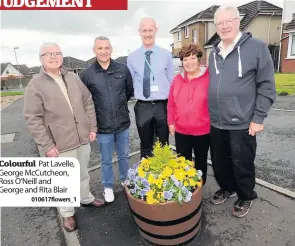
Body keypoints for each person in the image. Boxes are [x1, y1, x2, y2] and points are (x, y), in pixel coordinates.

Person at [23, 42, 105, 232]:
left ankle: (86, 198)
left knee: (83, 172)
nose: (54, 57)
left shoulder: (73, 77)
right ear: (41, 59)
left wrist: (92, 127)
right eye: (48, 54)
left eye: (57, 53)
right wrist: (47, 145)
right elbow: (32, 118)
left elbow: (88, 101)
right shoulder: (35, 85)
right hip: (59, 144)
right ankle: (67, 213)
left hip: (82, 137)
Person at [208, 6, 276, 218]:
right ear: (216, 27)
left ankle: (245, 195)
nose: (225, 26)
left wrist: (258, 118)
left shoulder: (256, 47)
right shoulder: (214, 52)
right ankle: (228, 188)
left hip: (243, 121)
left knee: (242, 161)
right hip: (217, 121)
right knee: (219, 162)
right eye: (220, 23)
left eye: (229, 21)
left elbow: (266, 85)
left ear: (238, 21)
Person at [79, 36, 134, 203]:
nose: (103, 51)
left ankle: (126, 181)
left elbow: (128, 92)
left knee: (124, 155)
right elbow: (84, 101)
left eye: (106, 48)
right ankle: (108, 187)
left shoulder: (122, 69)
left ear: (111, 49)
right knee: (106, 160)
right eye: (100, 48)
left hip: (122, 124)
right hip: (102, 127)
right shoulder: (86, 74)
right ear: (94, 50)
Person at [127, 17, 174, 158]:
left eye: (150, 30)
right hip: (143, 106)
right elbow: (131, 82)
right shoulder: (132, 57)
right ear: (139, 32)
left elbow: (171, 80)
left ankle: (164, 177)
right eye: (144, 31)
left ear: (156, 30)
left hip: (162, 105)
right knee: (146, 145)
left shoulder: (166, 55)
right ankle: (146, 177)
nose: (148, 34)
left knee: (163, 144)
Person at [167, 44, 210, 185]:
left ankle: (199, 188)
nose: (189, 62)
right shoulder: (177, 80)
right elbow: (171, 103)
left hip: (202, 130)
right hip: (181, 131)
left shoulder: (209, 78)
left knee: (200, 161)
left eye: (192, 58)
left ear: (199, 59)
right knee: (183, 161)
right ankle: (185, 187)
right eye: (185, 59)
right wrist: (171, 122)